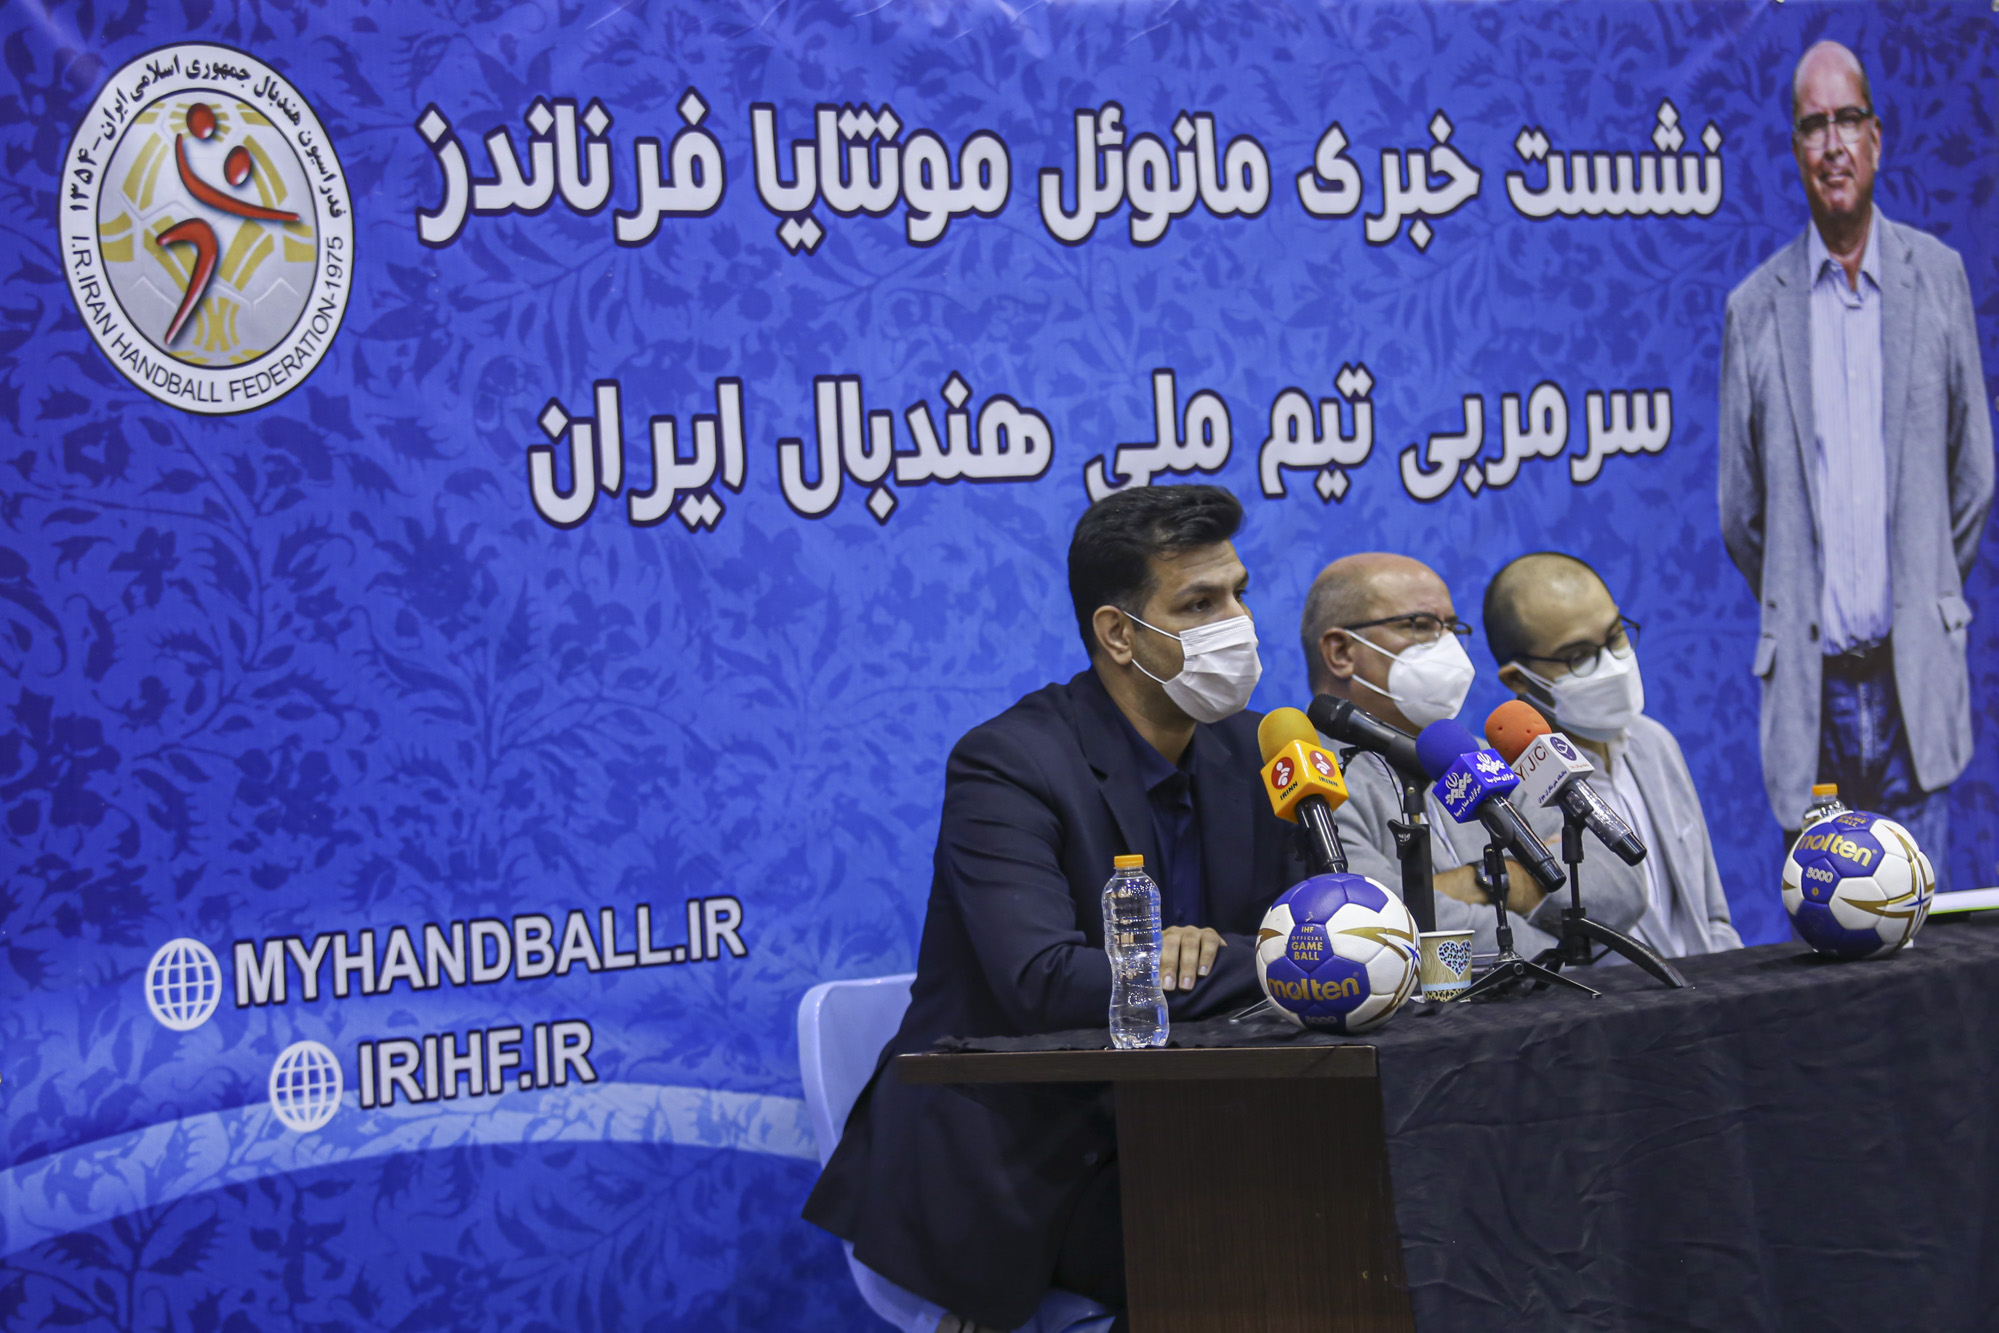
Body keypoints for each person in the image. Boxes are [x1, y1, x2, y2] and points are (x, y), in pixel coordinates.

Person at [804, 485, 1303, 1332]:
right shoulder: (1009, 762)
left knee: (1357, 1201)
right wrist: (1258, 956)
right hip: (1025, 1160)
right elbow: (1044, 981)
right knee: (1261, 1246)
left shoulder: (1256, 748)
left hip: (1185, 1133)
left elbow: (1316, 925)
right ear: (1118, 633)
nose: (1238, 624)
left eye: (1238, 593)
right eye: (1199, 603)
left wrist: (1229, 949)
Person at [1718, 39, 1993, 880]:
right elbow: (1741, 514)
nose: (1832, 143)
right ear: (1795, 148)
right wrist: (1804, 596)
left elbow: (1973, 475)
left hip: (1915, 681)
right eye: (1813, 125)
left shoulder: (1936, 276)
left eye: (1846, 120)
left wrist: (1922, 586)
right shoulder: (1753, 309)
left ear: (1875, 136)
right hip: (1812, 696)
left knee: (1924, 931)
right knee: (1826, 934)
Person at [1300, 553, 1647, 957]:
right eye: (1421, 626)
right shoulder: (1315, 782)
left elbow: (1621, 886)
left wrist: (1483, 882)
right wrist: (1549, 952)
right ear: (1342, 652)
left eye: (1451, 627)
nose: (1447, 645)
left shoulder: (1483, 756)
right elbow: (1383, 928)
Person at [1486, 553, 1743, 957]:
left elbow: (1712, 917)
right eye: (1579, 656)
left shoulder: (1654, 743)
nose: (1612, 665)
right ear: (1519, 678)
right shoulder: (1503, 794)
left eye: (1616, 637)